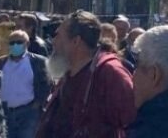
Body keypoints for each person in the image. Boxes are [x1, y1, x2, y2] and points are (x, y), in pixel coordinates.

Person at [35, 10, 136, 138]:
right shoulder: (68, 73)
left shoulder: (110, 72)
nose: (53, 42)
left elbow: (133, 122)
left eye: (58, 36)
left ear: (76, 41)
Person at [0, 30, 50, 138]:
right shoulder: (0, 63)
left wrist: (38, 103)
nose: (15, 45)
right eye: (12, 42)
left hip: (28, 113)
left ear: (27, 43)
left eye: (19, 42)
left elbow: (47, 83)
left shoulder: (39, 62)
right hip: (4, 113)